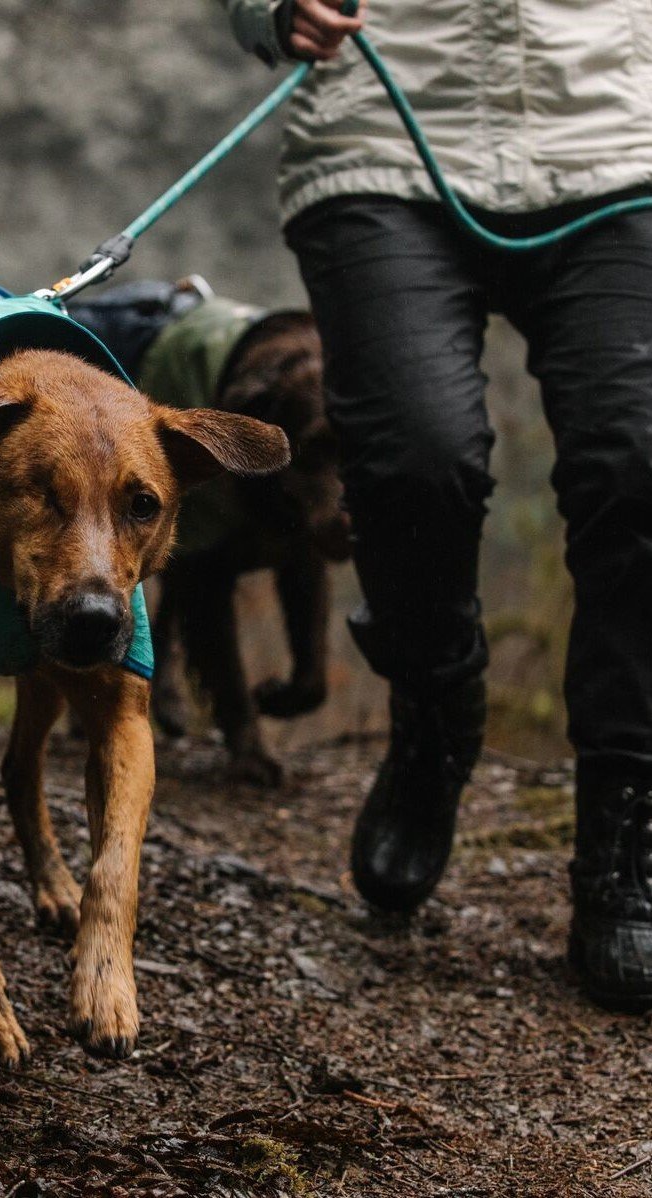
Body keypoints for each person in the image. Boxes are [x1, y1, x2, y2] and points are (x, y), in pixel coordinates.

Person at [221, 0, 652, 1010]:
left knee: (640, 463)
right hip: (379, 141)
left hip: (614, 138)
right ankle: (432, 712)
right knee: (414, 459)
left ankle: (627, 833)